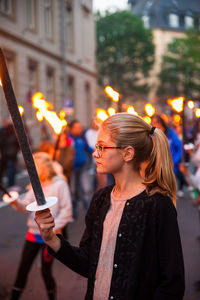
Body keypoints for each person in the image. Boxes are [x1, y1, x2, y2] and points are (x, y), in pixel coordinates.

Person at [35, 113, 185, 300]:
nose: (95, 153)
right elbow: (88, 263)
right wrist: (51, 238)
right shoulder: (100, 199)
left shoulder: (157, 205)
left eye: (102, 147)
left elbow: (172, 284)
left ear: (128, 153)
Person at [7, 152, 72, 300]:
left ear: (43, 168)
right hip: (33, 234)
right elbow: (26, 206)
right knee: (23, 268)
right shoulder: (37, 185)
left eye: (34, 168)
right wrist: (15, 202)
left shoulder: (60, 184)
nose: (31, 172)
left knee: (45, 271)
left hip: (50, 236)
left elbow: (67, 211)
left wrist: (51, 229)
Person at [69, 120, 93, 218]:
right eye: (77, 127)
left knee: (86, 189)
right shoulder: (68, 139)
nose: (80, 129)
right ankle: (73, 211)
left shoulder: (82, 137)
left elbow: (88, 148)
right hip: (72, 169)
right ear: (72, 129)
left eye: (80, 127)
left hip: (83, 167)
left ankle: (89, 210)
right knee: (73, 190)